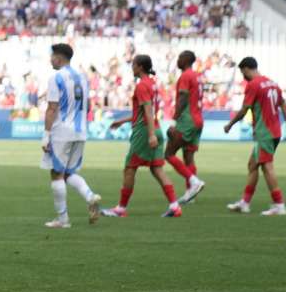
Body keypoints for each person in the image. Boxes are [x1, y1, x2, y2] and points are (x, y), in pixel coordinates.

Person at [102, 55, 182, 218]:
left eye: (133, 65)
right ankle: (175, 206)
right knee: (157, 169)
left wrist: (151, 135)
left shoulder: (142, 86)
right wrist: (122, 121)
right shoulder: (153, 85)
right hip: (156, 128)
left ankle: (121, 209)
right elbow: (144, 111)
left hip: (145, 132)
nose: (132, 68)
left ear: (140, 67)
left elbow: (148, 111)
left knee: (130, 168)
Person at [40, 43, 102, 228]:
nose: (50, 59)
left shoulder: (56, 78)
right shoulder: (83, 78)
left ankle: (63, 219)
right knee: (68, 172)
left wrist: (46, 135)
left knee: (56, 173)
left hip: (61, 131)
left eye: (52, 56)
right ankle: (90, 196)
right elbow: (88, 106)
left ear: (58, 58)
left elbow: (52, 108)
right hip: (80, 130)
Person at [223, 57, 286, 215]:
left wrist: (230, 124)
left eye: (243, 73)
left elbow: (244, 110)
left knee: (267, 167)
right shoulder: (272, 83)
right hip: (275, 131)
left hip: (265, 132)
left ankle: (279, 204)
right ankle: (245, 203)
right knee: (253, 164)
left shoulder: (253, 85)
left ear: (248, 69)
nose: (243, 76)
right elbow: (283, 106)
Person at [165, 50, 207, 204]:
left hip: (186, 121)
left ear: (186, 60)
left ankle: (194, 182)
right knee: (188, 157)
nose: (177, 60)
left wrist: (174, 121)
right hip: (198, 120)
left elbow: (183, 98)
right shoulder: (197, 76)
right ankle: (191, 194)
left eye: (179, 57)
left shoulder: (185, 76)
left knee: (169, 154)